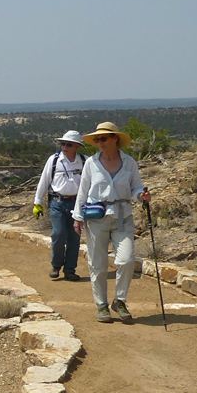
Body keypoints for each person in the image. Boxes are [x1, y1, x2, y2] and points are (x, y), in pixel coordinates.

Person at [73, 122, 151, 323]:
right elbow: (83, 190)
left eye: (104, 138)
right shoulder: (91, 163)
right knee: (97, 263)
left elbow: (136, 187)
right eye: (97, 139)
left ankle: (120, 300)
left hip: (123, 216)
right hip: (96, 217)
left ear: (115, 138)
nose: (100, 142)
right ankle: (101, 305)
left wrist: (141, 196)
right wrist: (77, 217)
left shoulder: (129, 162)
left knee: (126, 261)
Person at [33, 130, 87, 280]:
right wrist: (38, 202)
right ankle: (56, 265)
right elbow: (44, 181)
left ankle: (70, 270)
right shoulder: (54, 160)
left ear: (77, 146)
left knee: (74, 237)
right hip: (57, 201)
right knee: (58, 233)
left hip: (77, 204)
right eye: (62, 143)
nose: (64, 147)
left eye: (68, 144)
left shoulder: (85, 161)